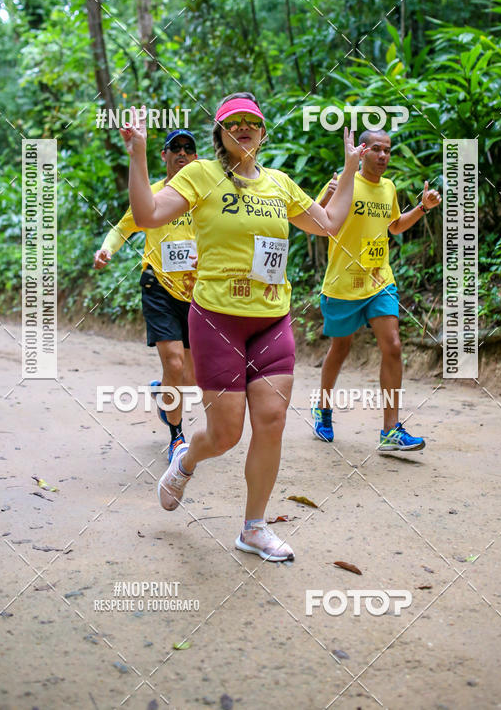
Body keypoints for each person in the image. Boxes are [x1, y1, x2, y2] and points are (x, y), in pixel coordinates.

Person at [121, 92, 365, 561]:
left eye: (253, 120)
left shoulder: (280, 184)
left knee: (271, 423)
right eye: (234, 122)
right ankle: (186, 460)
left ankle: (253, 528)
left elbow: (331, 222)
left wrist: (350, 170)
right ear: (221, 133)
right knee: (226, 434)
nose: (245, 127)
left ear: (264, 130)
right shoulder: (201, 176)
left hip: (272, 319)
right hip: (216, 320)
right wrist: (139, 154)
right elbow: (149, 214)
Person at [312, 128, 441, 451]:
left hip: (379, 280)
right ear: (362, 151)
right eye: (377, 150)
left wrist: (422, 208)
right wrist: (328, 195)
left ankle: (390, 430)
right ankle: (323, 409)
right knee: (340, 350)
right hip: (343, 282)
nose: (383, 156)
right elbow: (318, 224)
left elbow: (394, 226)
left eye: (388, 151)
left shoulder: (389, 188)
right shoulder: (344, 182)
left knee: (393, 346)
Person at [93, 129, 199, 462]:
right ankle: (177, 437)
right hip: (158, 286)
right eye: (174, 148)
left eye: (188, 148)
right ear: (164, 156)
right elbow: (123, 227)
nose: (182, 152)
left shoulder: (204, 197)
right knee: (174, 361)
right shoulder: (151, 195)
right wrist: (106, 249)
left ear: (195, 158)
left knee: (190, 377)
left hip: (197, 292)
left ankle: (162, 392)